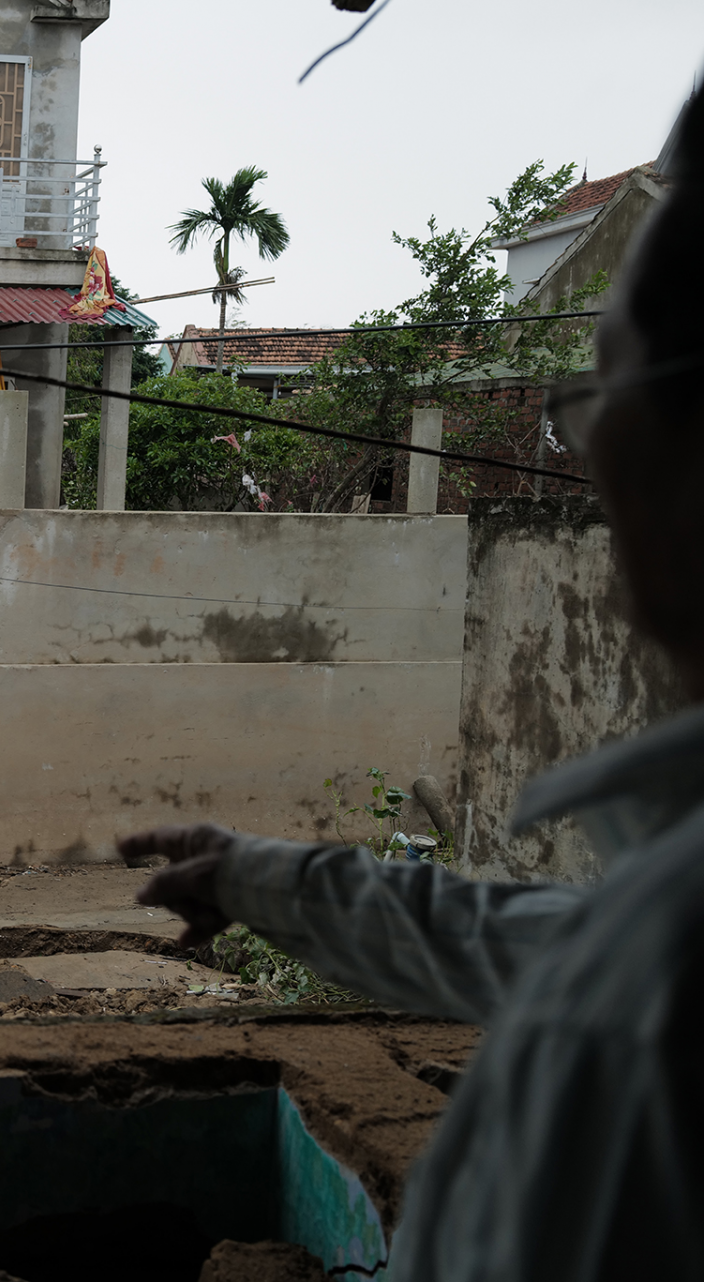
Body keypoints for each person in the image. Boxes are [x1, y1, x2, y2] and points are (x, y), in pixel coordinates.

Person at [120, 91, 704, 1282]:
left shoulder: (631, 1016)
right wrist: (267, 880)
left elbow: (580, 964)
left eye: (595, 405)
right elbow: (534, 940)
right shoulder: (636, 949)